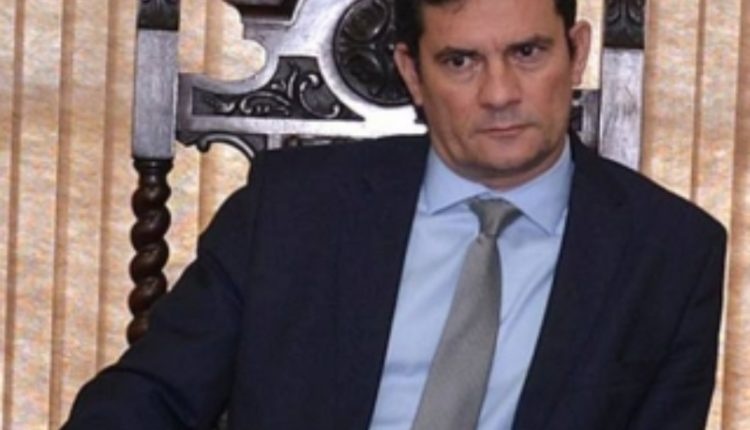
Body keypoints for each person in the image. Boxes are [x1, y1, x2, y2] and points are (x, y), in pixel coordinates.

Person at [63, 0, 727, 429]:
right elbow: (149, 400)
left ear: (575, 53)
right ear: (412, 73)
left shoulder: (671, 254)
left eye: (527, 53)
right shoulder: (290, 212)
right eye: (460, 61)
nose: (500, 93)